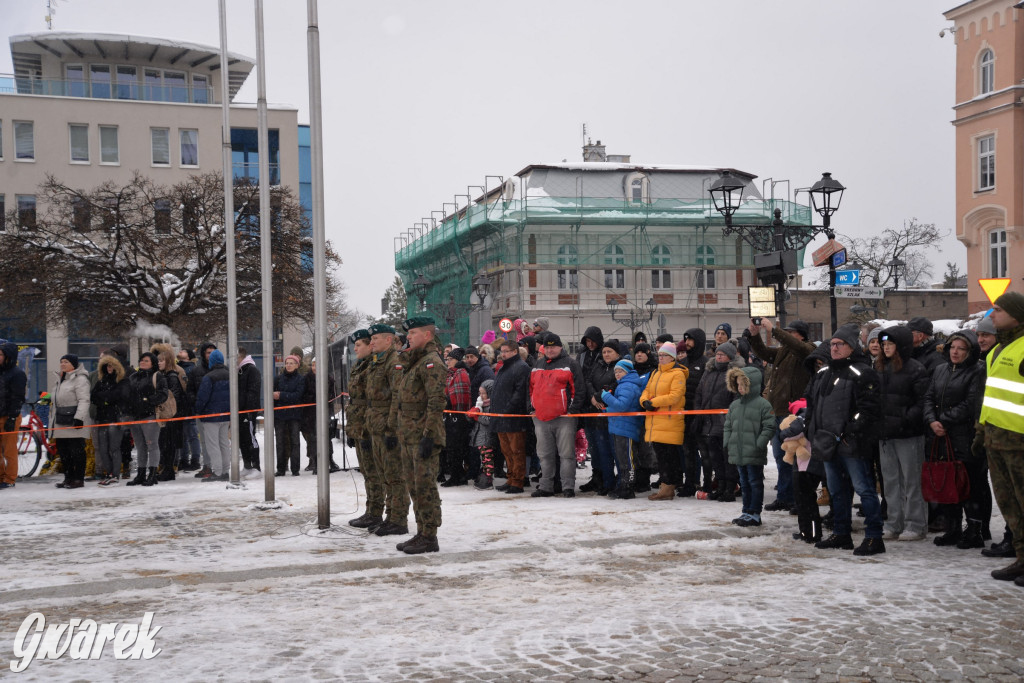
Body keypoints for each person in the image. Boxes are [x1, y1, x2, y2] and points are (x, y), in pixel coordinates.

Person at [805, 324, 885, 556]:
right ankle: (841, 533)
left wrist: (849, 431)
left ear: (852, 347)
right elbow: (813, 406)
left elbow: (868, 409)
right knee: (837, 491)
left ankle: (874, 537)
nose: (835, 348)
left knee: (864, 490)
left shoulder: (862, 372)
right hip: (827, 442)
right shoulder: (823, 373)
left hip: (852, 444)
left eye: (840, 344)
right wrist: (813, 431)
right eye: (832, 344)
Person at [975, 291, 1024, 585]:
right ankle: (1021, 558)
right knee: (1010, 507)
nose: (992, 316)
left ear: (1017, 314)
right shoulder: (997, 351)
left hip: (1019, 442)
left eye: (998, 310)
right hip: (996, 441)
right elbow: (991, 398)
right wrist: (981, 431)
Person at [924, 329, 988, 548]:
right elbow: (929, 396)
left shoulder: (977, 371)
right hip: (941, 437)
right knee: (948, 482)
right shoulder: (940, 369)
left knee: (969, 484)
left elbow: (972, 403)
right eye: (953, 347)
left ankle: (974, 531)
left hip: (965, 435)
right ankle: (952, 528)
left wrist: (943, 420)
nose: (956, 352)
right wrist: (932, 420)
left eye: (961, 348)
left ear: (970, 351)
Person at [745, 318, 815, 513]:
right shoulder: (786, 351)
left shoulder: (806, 349)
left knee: (793, 458)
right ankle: (785, 496)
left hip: (792, 413)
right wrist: (755, 335)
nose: (787, 335)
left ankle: (796, 497)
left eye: (790, 332)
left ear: (800, 334)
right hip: (778, 410)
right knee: (781, 456)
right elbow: (764, 353)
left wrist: (774, 330)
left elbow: (797, 346)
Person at [393, 316, 447, 554]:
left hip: (423, 434)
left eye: (413, 333)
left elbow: (436, 403)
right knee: (414, 485)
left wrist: (429, 435)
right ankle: (421, 531)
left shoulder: (432, 363)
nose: (408, 337)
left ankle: (430, 535)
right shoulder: (415, 361)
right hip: (409, 434)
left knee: (425, 486)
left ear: (427, 335)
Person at [875, 326, 930, 542]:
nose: (885, 348)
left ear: (901, 346)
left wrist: (905, 418)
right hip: (886, 434)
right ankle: (893, 522)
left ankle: (915, 524)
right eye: (884, 344)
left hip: (908, 434)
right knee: (890, 481)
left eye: (890, 344)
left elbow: (923, 401)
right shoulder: (880, 368)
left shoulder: (915, 369)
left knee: (912, 481)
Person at [364, 323, 410, 537]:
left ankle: (398, 519)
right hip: (376, 425)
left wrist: (392, 430)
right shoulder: (377, 361)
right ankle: (390, 517)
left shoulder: (394, 362)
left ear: (389, 340)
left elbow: (397, 398)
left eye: (375, 339)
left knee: (395, 476)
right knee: (385, 475)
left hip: (387, 427)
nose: (371, 342)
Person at [529, 333, 586, 498]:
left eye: (553, 346)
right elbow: (530, 389)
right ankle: (546, 486)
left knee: (566, 454)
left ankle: (568, 487)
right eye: (547, 347)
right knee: (544, 454)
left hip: (564, 418)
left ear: (560, 347)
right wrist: (531, 408)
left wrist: (572, 410)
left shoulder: (570, 364)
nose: (550, 349)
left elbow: (579, 389)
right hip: (540, 418)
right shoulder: (537, 364)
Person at [723, 366, 776, 526]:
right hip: (738, 451)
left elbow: (769, 426)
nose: (739, 388)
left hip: (754, 452)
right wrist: (728, 441)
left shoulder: (763, 405)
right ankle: (746, 511)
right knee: (744, 483)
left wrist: (759, 444)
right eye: (737, 385)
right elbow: (728, 425)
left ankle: (755, 513)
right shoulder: (735, 405)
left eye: (742, 385)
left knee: (755, 482)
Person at [693, 342, 745, 501]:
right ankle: (721, 485)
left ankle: (730, 487)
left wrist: (729, 417)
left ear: (730, 357)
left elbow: (737, 398)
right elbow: (699, 393)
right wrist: (699, 412)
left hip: (725, 423)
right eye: (717, 353)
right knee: (715, 457)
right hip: (708, 423)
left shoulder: (734, 373)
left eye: (722, 354)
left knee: (728, 457)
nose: (719, 356)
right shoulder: (708, 372)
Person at [638, 342, 688, 501]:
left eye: (664, 355)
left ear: (672, 357)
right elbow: (646, 391)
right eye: (659, 355)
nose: (661, 358)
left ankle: (668, 486)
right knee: (661, 456)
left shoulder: (677, 374)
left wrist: (654, 402)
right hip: (655, 421)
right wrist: (644, 401)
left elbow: (675, 396)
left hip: (669, 421)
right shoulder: (655, 373)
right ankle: (666, 486)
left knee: (668, 457)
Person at [345, 329, 384, 528]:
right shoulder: (359, 366)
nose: (355, 348)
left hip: (369, 425)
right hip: (359, 424)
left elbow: (371, 400)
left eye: (359, 344)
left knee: (373, 472)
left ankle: (376, 512)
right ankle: (371, 510)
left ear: (370, 346)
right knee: (367, 472)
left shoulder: (373, 366)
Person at [490, 339, 531, 494]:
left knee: (517, 451)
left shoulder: (521, 367)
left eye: (506, 351)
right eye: (502, 351)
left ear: (515, 351)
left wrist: (508, 409)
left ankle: (518, 481)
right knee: (506, 451)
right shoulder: (504, 368)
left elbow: (520, 393)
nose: (503, 354)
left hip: (514, 417)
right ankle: (510, 478)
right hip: (501, 417)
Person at [601, 359, 645, 499]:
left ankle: (628, 487)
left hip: (626, 428)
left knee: (627, 459)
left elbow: (622, 406)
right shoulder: (624, 385)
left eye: (620, 371)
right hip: (619, 426)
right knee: (622, 459)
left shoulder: (628, 385)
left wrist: (606, 396)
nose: (617, 374)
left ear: (627, 371)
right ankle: (623, 485)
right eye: (616, 371)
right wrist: (607, 410)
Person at [125, 352, 168, 487]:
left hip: (150, 415)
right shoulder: (133, 377)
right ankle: (141, 474)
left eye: (146, 361)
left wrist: (148, 401)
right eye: (141, 360)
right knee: (140, 447)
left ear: (153, 363)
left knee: (152, 445)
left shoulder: (157, 376)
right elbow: (127, 394)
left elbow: (163, 394)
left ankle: (153, 473)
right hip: (135, 416)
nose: (142, 362)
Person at [50, 354, 92, 489]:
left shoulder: (80, 380)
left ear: (73, 364)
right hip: (61, 421)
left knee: (77, 451)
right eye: (61, 361)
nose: (62, 364)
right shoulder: (60, 379)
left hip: (75, 420)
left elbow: (84, 400)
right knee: (63, 451)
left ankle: (78, 479)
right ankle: (68, 478)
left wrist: (79, 418)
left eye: (66, 362)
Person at [586, 339, 621, 495]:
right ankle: (607, 482)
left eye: (610, 352)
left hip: (612, 415)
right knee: (601, 451)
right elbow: (588, 381)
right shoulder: (598, 365)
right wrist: (593, 396)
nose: (606, 354)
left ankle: (620, 482)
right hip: (596, 414)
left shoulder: (620, 366)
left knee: (615, 452)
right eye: (605, 351)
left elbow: (617, 384)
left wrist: (601, 396)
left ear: (617, 353)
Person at [90, 351, 129, 485]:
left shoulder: (122, 381)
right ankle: (109, 472)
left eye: (111, 366)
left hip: (115, 419)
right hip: (102, 418)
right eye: (107, 366)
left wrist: (105, 398)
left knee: (114, 448)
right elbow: (93, 397)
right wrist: (106, 399)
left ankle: (115, 474)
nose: (109, 369)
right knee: (102, 448)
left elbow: (118, 396)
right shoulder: (101, 381)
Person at [677, 329, 708, 496]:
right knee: (687, 451)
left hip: (700, 415)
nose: (687, 343)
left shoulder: (705, 363)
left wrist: (701, 412)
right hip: (684, 414)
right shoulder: (682, 363)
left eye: (691, 340)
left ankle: (708, 482)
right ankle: (691, 481)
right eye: (686, 339)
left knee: (704, 452)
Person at [193, 349, 231, 482]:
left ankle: (217, 471)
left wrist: (198, 410)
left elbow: (202, 397)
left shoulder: (208, 377)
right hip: (226, 416)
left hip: (210, 416)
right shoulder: (230, 375)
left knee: (212, 445)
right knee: (224, 444)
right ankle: (226, 471)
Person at [576, 326, 604, 492]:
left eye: (593, 340)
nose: (590, 344)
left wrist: (595, 395)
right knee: (592, 443)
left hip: (599, 402)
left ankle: (603, 475)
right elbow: (580, 377)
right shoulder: (582, 355)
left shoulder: (603, 353)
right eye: (588, 341)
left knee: (602, 444)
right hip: (586, 403)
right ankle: (596, 474)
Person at [153, 344, 187, 481]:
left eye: (161, 361)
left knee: (168, 443)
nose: (159, 363)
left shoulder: (171, 376)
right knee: (164, 443)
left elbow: (173, 396)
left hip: (171, 416)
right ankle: (167, 469)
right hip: (168, 415)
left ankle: (169, 470)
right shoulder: (164, 375)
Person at [301, 358, 341, 475]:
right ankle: (315, 461)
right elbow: (303, 395)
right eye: (313, 365)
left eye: (317, 365)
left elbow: (332, 395)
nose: (315, 368)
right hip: (310, 414)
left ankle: (330, 460)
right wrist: (314, 398)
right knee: (313, 439)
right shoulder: (306, 379)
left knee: (326, 438)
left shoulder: (329, 379)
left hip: (325, 412)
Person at [442, 347, 473, 487]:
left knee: (456, 447)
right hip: (451, 415)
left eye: (450, 359)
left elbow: (461, 396)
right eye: (447, 359)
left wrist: (449, 404)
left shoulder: (461, 373)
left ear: (457, 360)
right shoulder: (452, 373)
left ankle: (457, 476)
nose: (447, 361)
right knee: (451, 447)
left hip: (458, 416)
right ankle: (457, 474)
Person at [0, 341, 28, 490]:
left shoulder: (17, 374)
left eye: (0, 354)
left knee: (9, 450)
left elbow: (18, 397)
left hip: (9, 416)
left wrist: (12, 417)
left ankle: (10, 479)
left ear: (8, 356)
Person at [273, 354, 305, 477]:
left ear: (297, 365)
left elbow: (297, 396)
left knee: (295, 442)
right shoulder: (278, 379)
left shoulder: (300, 379)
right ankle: (281, 468)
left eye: (292, 363)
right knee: (280, 442)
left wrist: (281, 395)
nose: (289, 365)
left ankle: (295, 469)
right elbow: (273, 396)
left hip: (294, 416)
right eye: (287, 363)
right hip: (280, 416)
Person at [175, 348, 202, 471]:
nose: (180, 351)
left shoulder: (192, 369)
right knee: (182, 436)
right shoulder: (176, 368)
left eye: (184, 351)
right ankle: (183, 460)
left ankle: (195, 460)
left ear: (189, 356)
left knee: (191, 435)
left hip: (188, 406)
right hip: (179, 407)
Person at [236, 346, 262, 472]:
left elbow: (253, 392)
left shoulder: (252, 370)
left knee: (250, 438)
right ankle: (247, 465)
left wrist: (248, 410)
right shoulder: (239, 371)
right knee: (242, 438)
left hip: (248, 411)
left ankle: (256, 466)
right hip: (240, 411)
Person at [469, 379, 496, 489]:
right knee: (483, 458)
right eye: (480, 393)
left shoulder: (492, 405)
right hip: (480, 435)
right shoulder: (480, 404)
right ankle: (485, 475)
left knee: (488, 458)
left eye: (483, 393)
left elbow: (489, 420)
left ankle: (488, 478)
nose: (481, 395)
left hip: (487, 437)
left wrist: (478, 416)